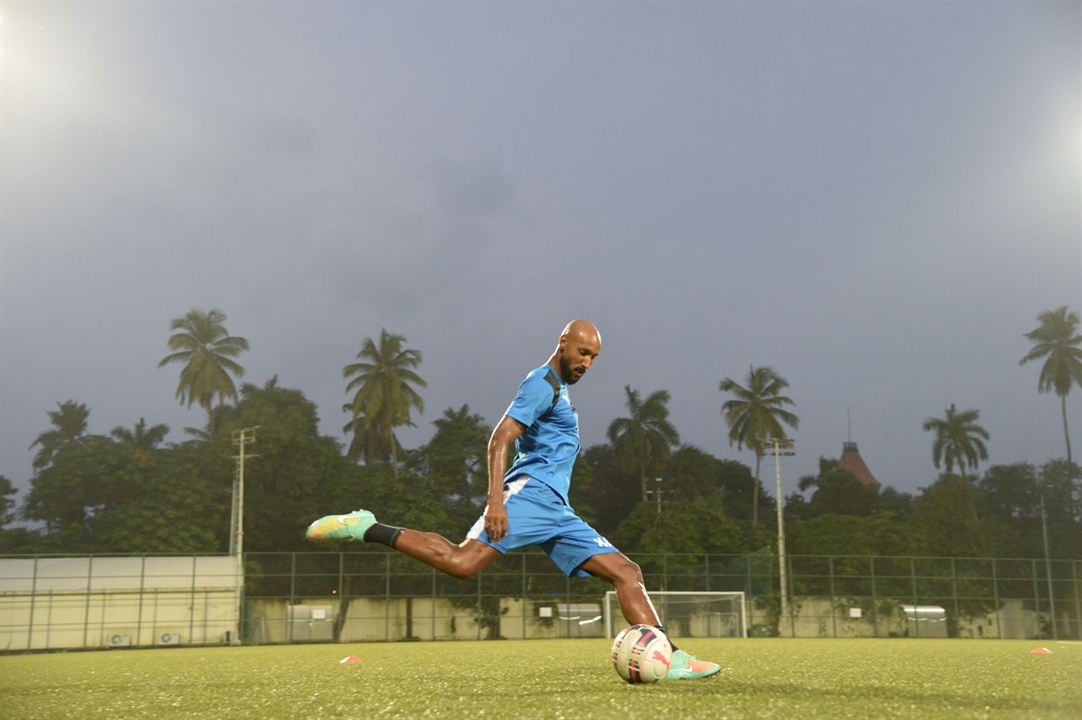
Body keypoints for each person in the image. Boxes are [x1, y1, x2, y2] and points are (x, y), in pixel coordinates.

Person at [305, 320, 719, 680]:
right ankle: (366, 526)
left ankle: (672, 658)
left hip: (555, 509)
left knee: (627, 572)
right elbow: (500, 438)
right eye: (582, 352)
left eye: (593, 357)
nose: (586, 363)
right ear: (563, 343)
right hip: (528, 497)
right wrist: (496, 503)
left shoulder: (559, 388)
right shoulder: (540, 383)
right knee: (461, 563)